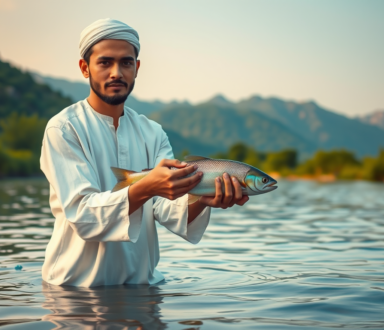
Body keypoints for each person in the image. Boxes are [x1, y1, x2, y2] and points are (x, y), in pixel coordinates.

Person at [40, 18, 249, 287]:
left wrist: (202, 200)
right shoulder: (64, 129)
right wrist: (146, 187)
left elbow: (166, 208)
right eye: (105, 62)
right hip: (73, 293)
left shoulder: (152, 132)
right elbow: (82, 214)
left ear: (137, 68)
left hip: (143, 289)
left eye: (126, 62)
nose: (117, 72)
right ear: (85, 67)